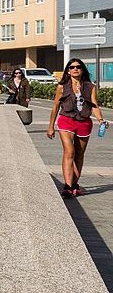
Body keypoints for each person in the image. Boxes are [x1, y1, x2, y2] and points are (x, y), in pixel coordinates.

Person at [48, 58, 107, 198]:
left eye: (78, 67)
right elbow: (56, 106)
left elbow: (94, 105)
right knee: (69, 152)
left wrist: (100, 119)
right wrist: (51, 126)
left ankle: (75, 183)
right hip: (66, 121)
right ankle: (67, 186)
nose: (75, 69)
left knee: (79, 154)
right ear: (68, 71)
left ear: (82, 70)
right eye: (72, 67)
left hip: (84, 122)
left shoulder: (90, 87)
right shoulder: (62, 86)